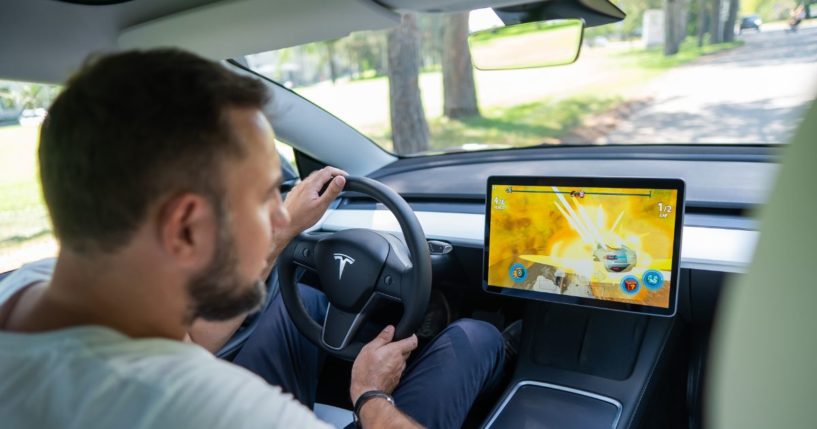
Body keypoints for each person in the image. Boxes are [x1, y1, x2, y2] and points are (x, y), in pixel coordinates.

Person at [0, 49, 505, 428]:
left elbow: (192, 338)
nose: (278, 213)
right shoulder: (213, 409)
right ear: (186, 227)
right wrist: (370, 396)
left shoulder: (29, 286)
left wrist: (284, 231)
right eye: (266, 195)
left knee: (299, 298)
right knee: (475, 339)